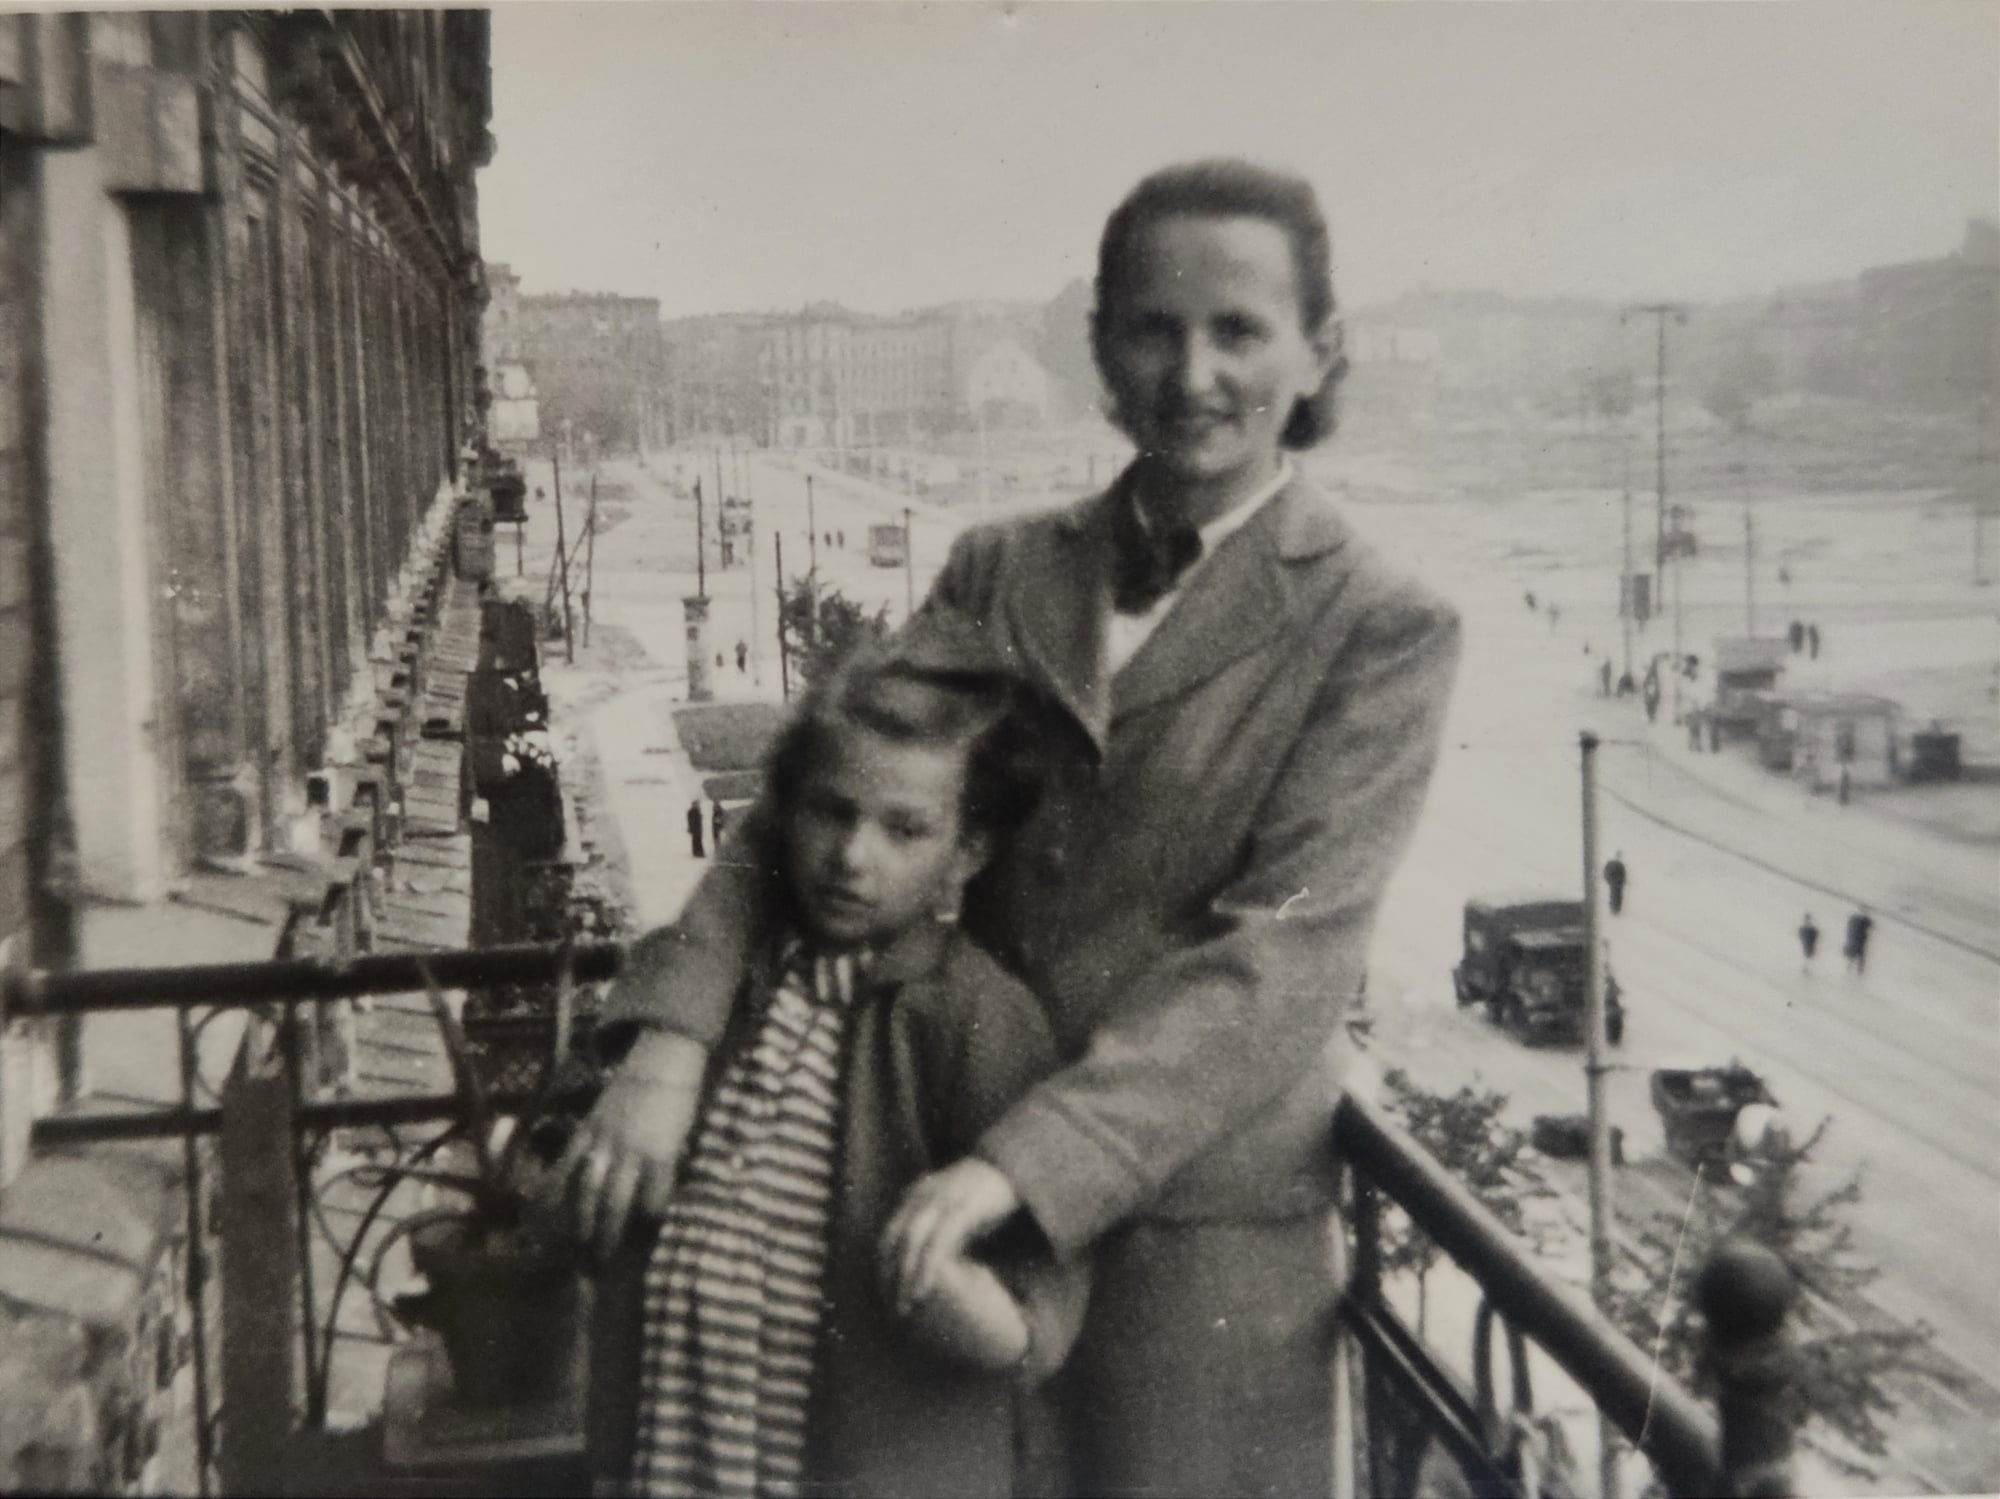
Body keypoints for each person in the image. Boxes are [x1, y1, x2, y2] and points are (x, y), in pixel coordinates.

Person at [561, 160, 1462, 1496]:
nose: (1192, 372)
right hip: (921, 1207)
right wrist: (672, 1036)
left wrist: (1022, 1165)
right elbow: (822, 792)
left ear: (1319, 351)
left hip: (1189, 1243)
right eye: (1151, 328)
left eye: (1238, 330)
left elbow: (1278, 958)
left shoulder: (1381, 623)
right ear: (1097, 350)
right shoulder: (1003, 567)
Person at [587, 650, 1086, 1497]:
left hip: (845, 1448)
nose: (853, 855)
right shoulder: (734, 985)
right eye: (831, 811)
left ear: (967, 850)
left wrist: (984, 1312)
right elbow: (622, 1168)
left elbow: (1042, 1248)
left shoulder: (970, 1012)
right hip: (688, 1423)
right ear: (786, 811)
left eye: (905, 829)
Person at [1844, 907, 1873, 974]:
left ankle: (1850, 969)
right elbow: (1870, 923)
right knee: (1861, 957)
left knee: (1853, 956)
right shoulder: (1864, 920)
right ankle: (1859, 971)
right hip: (1860, 941)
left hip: (1854, 940)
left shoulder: (1854, 918)